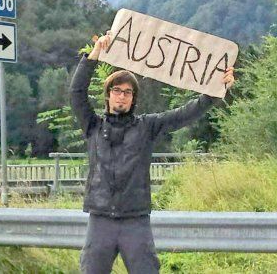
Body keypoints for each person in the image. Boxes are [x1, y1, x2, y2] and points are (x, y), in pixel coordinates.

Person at [70, 31, 235, 274]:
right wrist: (94, 56)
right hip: (100, 218)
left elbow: (186, 113)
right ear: (108, 95)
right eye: (117, 90)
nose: (122, 96)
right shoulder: (92, 126)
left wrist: (216, 90)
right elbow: (76, 93)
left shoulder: (146, 127)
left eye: (128, 92)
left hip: (135, 220)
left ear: (133, 98)